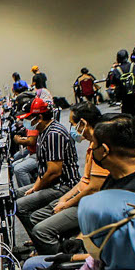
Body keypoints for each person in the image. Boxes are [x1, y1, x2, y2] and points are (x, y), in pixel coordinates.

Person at [26, 101, 107, 255]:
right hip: (81, 197)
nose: (72, 129)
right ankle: (50, 251)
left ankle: (63, 262)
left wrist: (66, 203)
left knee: (40, 230)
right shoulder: (91, 145)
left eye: (73, 124)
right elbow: (84, 181)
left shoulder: (101, 147)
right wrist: (64, 200)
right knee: (36, 216)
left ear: (83, 123)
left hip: (91, 205)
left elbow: (94, 188)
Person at [15, 98, 80, 243]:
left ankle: (42, 242)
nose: (26, 122)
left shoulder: (53, 134)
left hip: (64, 185)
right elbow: (43, 168)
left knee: (20, 206)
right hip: (52, 182)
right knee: (16, 194)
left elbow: (54, 172)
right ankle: (36, 238)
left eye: (29, 118)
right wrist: (35, 186)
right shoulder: (43, 131)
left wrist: (37, 187)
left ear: (39, 117)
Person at [112, 49, 135, 139]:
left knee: (127, 116)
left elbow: (113, 83)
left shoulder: (116, 71)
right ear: (127, 57)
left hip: (125, 97)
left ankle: (131, 134)